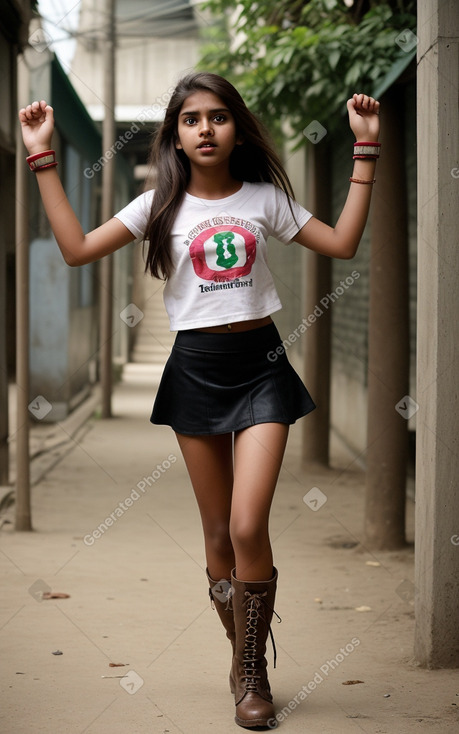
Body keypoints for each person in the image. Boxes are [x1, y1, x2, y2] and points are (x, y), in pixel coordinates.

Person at [19, 72, 380, 729]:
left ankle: (250, 671)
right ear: (175, 137)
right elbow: (75, 251)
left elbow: (342, 243)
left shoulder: (264, 199)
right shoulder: (157, 206)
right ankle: (248, 664)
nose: (205, 128)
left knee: (247, 526)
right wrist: (42, 155)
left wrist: (365, 153)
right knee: (216, 535)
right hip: (195, 370)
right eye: (191, 119)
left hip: (263, 367)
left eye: (217, 116)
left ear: (235, 127)